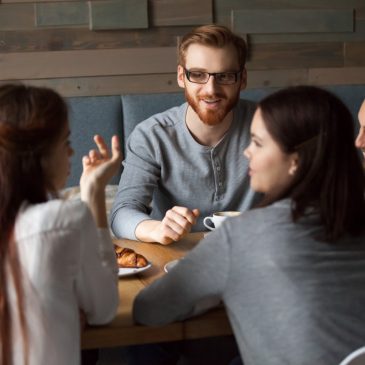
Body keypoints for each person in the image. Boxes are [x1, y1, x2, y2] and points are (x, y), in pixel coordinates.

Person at [133, 86, 365, 365]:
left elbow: (148, 310)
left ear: (295, 160)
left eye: (257, 142)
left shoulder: (242, 235)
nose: (246, 152)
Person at [0, 83, 122, 365]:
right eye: (65, 143)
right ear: (38, 158)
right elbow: (103, 310)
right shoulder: (64, 220)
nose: (70, 154)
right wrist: (93, 194)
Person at [110, 24, 258, 244]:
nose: (211, 90)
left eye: (225, 76)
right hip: (176, 258)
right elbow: (122, 213)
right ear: (181, 76)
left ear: (242, 79)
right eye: (198, 75)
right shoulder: (151, 136)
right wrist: (156, 229)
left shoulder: (269, 125)